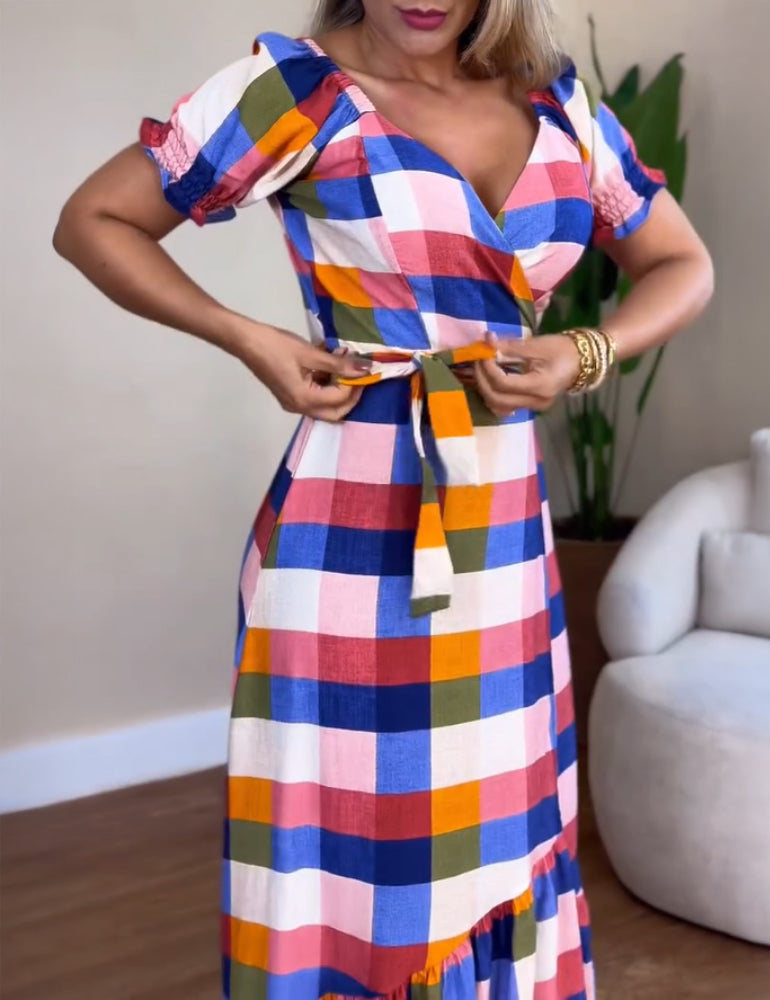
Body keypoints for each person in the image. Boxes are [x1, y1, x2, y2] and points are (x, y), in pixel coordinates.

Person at [53, 0, 713, 997]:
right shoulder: (298, 92)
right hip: (349, 536)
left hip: (501, 542)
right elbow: (93, 220)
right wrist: (252, 339)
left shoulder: (561, 106)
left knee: (499, 834)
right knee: (354, 853)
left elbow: (682, 263)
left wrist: (586, 350)